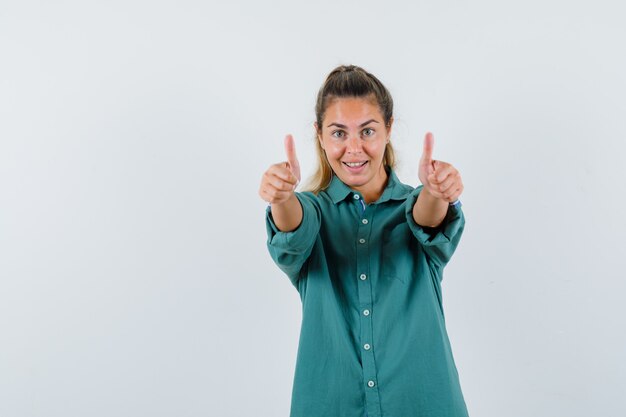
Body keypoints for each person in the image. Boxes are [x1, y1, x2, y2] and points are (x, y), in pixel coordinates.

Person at [258, 64, 468, 417]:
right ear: (320, 136)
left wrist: (436, 191)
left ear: (387, 129)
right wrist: (279, 197)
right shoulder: (313, 211)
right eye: (338, 133)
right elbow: (294, 227)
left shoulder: (412, 206)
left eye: (367, 131)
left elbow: (427, 218)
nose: (353, 148)